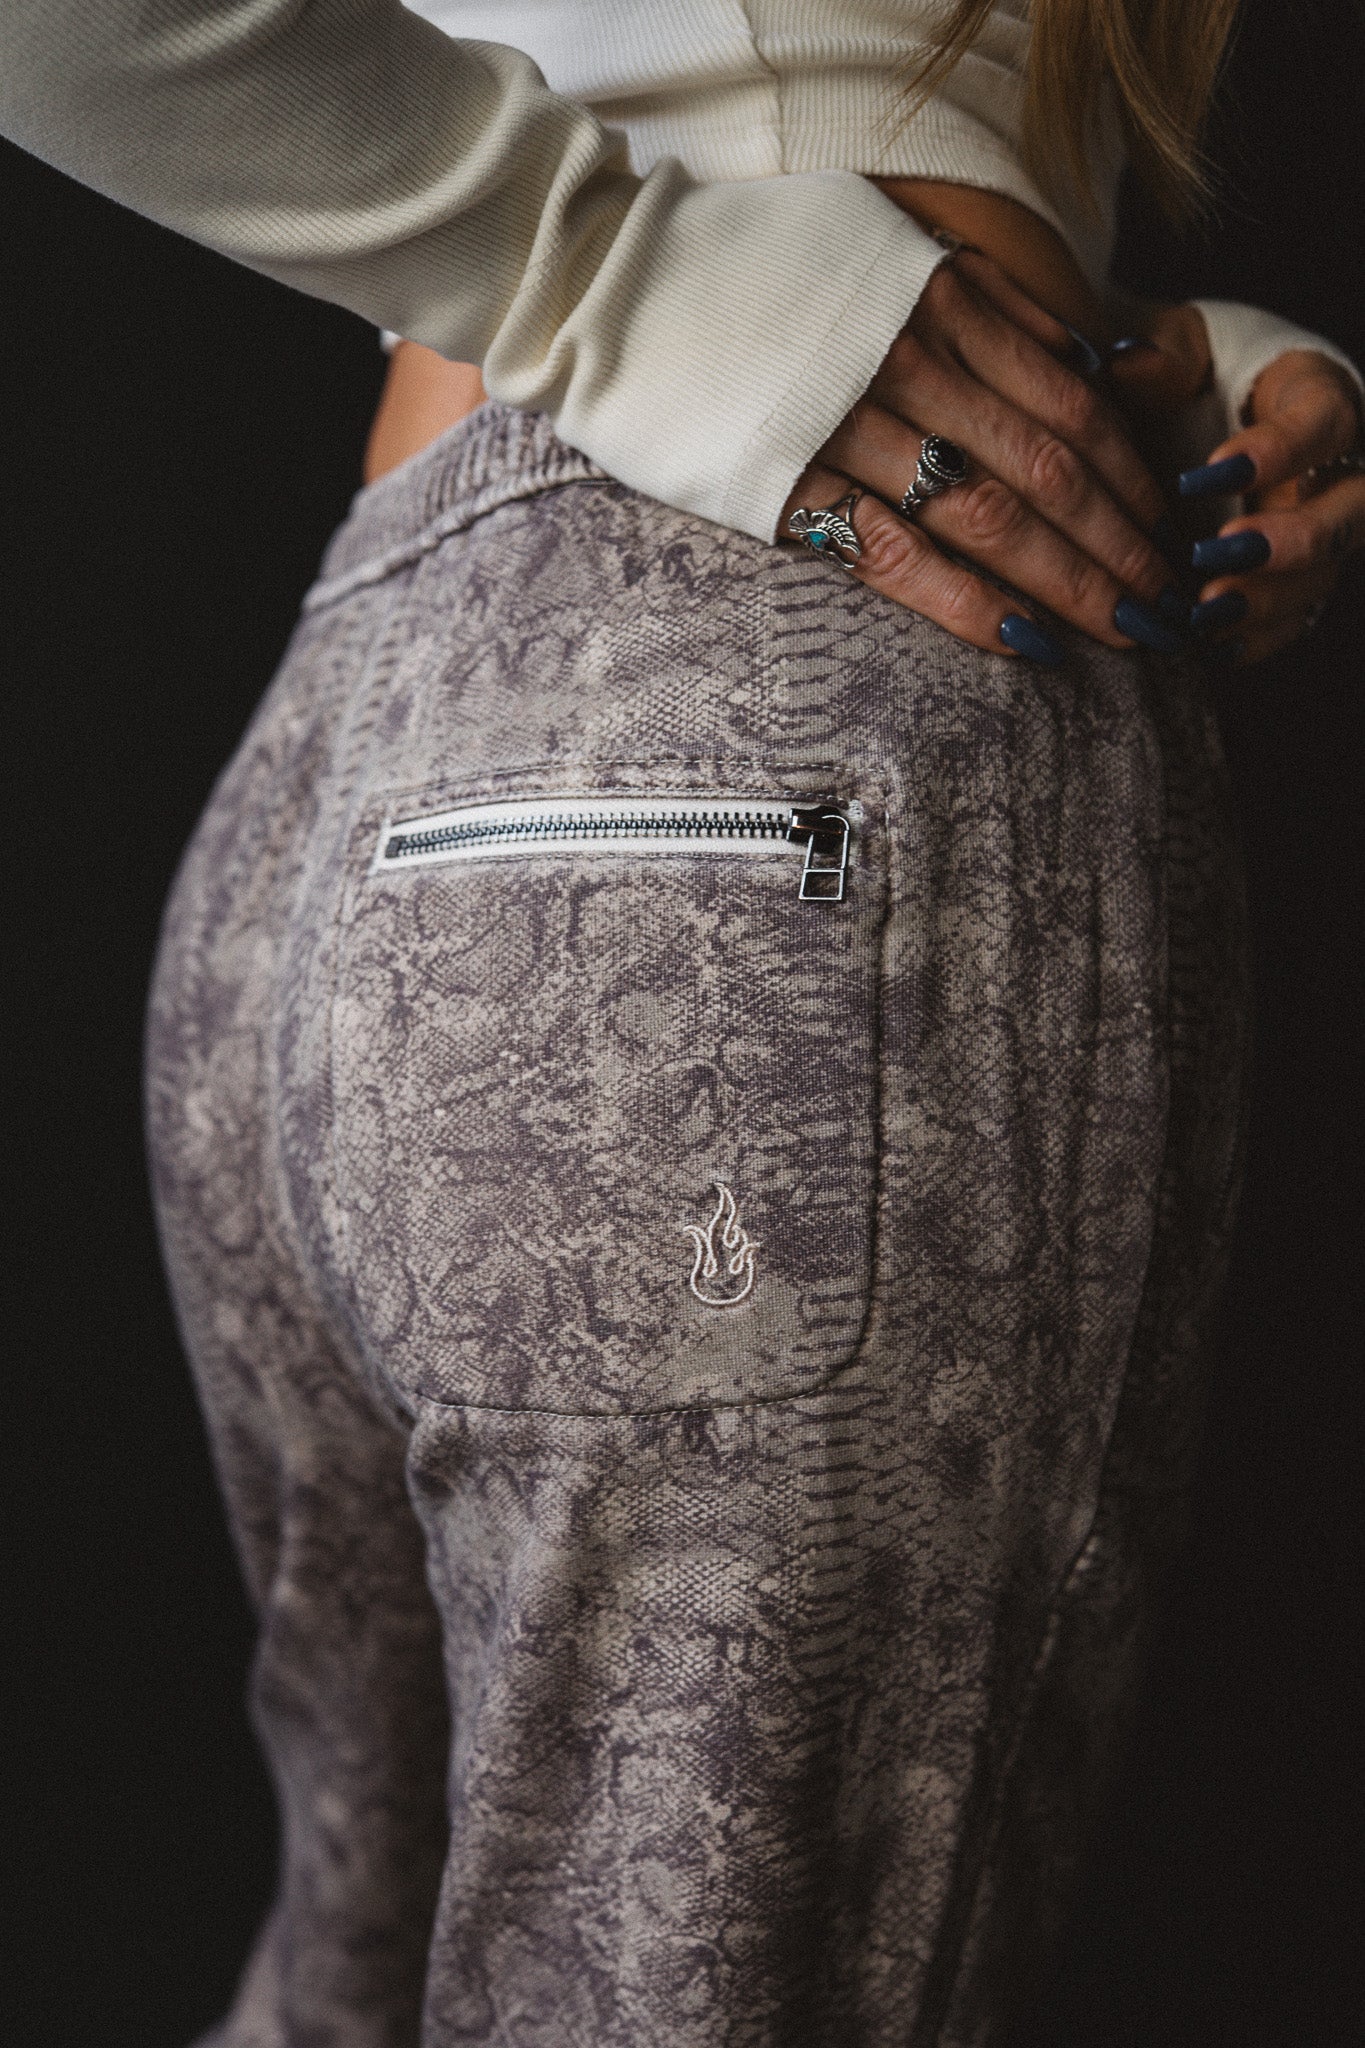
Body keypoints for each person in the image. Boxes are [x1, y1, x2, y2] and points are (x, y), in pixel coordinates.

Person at [3, 4, 1363, 2042]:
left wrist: (1167, 381)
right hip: (772, 729)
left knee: (338, 1984)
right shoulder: (659, 331)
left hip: (355, 760)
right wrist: (622, 271)